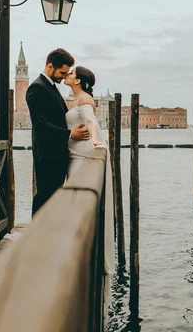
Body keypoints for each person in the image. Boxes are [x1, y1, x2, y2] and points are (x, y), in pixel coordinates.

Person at [63, 65, 114, 324]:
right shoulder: (72, 99)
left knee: (77, 199)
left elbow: (92, 122)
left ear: (79, 80)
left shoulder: (84, 99)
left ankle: (80, 250)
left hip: (82, 156)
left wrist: (95, 142)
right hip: (73, 155)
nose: (67, 76)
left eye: (70, 73)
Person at [26, 48, 89, 216]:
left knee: (53, 198)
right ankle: (37, 235)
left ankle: (46, 234)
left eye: (67, 73)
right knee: (44, 198)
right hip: (47, 155)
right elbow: (40, 124)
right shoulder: (37, 88)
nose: (64, 76)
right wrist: (69, 135)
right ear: (50, 67)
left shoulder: (50, 86)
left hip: (56, 154)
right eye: (62, 72)